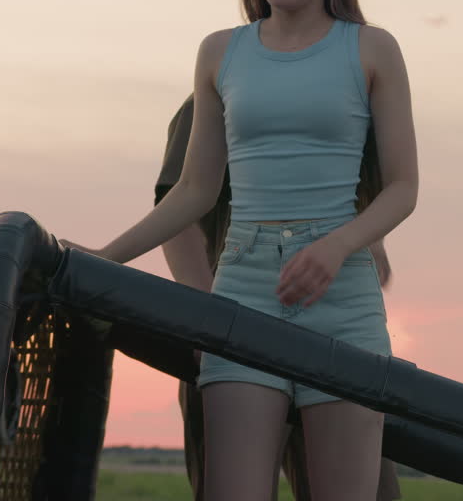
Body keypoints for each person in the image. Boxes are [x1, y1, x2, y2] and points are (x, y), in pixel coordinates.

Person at [69, 0, 418, 501]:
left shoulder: (372, 48)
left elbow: (403, 189)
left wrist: (338, 247)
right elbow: (193, 192)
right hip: (243, 294)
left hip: (342, 298)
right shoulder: (220, 52)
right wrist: (102, 262)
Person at [154, 93, 401, 501]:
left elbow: (378, 207)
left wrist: (365, 248)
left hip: (336, 344)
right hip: (236, 333)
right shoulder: (222, 92)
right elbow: (177, 212)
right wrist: (208, 319)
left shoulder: (359, 97)